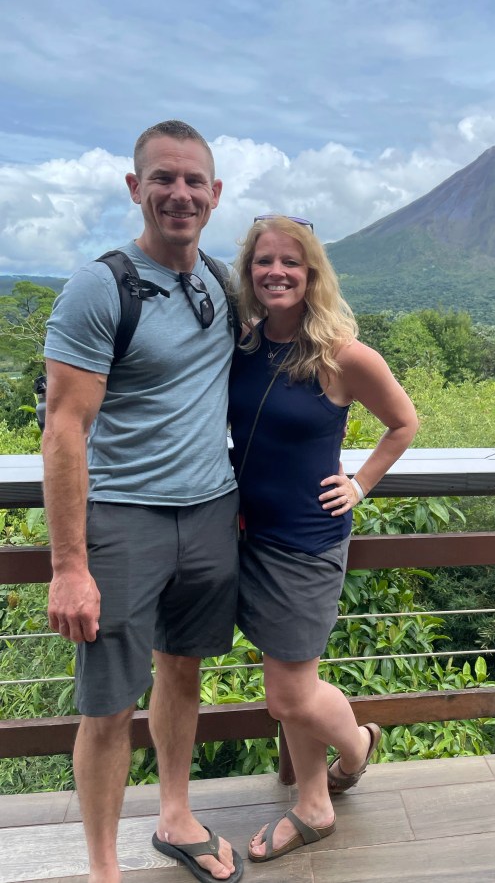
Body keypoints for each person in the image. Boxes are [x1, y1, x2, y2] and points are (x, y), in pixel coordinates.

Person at [43, 120, 243, 883]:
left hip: (211, 509)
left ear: (215, 194)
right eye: (163, 178)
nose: (179, 194)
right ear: (136, 187)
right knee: (107, 704)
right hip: (124, 517)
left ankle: (175, 814)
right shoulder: (101, 287)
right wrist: (69, 565)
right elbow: (64, 429)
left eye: (193, 181)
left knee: (182, 671)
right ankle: (104, 869)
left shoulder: (221, 284)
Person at [229, 214, 419, 863]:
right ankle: (314, 803)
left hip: (307, 542)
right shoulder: (246, 344)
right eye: (264, 260)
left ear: (312, 273)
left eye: (291, 261)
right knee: (290, 681)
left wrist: (360, 483)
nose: (276, 272)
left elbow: (403, 422)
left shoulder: (343, 354)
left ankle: (357, 748)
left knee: (287, 693)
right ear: (249, 271)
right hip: (250, 535)